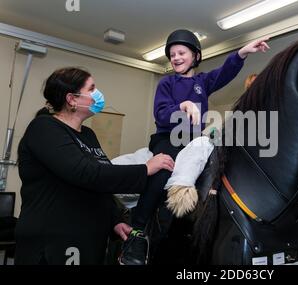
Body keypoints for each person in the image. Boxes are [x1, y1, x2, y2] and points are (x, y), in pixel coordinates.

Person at [119, 29, 270, 265]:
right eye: (172, 55)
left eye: (181, 53)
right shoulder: (166, 82)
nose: (176, 57)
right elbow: (160, 113)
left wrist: (241, 53)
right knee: (163, 169)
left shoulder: (203, 82)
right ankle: (137, 232)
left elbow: (225, 72)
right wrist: (183, 105)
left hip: (193, 140)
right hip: (168, 138)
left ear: (196, 56)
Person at [14, 67, 174, 265]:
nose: (98, 94)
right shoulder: (44, 128)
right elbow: (87, 173)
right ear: (72, 99)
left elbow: (100, 187)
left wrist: (114, 221)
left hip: (87, 240)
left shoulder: (88, 134)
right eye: (92, 88)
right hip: (54, 241)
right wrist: (145, 169)